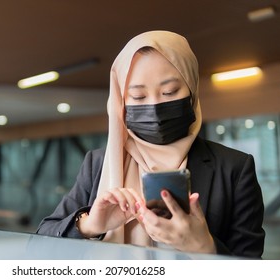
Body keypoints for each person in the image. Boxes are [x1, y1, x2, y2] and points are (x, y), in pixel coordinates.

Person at [36, 30, 265, 258]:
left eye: (169, 91)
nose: (155, 107)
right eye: (138, 97)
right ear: (122, 101)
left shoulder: (234, 168)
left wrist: (205, 247)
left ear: (192, 89)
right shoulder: (98, 164)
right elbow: (39, 245)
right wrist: (89, 225)